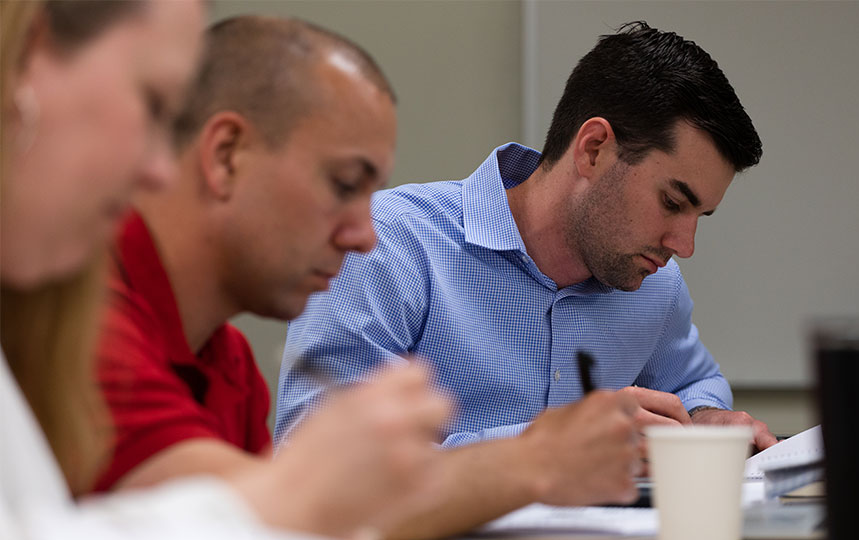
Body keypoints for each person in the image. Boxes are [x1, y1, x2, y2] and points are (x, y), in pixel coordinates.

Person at [87, 14, 642, 539]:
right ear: (227, 155)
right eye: (343, 184)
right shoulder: (86, 327)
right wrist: (535, 459)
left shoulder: (226, 359)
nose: (364, 235)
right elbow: (263, 519)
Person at [277, 20, 777, 521]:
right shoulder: (390, 246)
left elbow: (693, 384)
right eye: (671, 202)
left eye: (699, 218)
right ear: (594, 149)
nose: (684, 246)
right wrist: (549, 449)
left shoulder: (654, 284)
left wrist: (703, 418)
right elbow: (311, 465)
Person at [0, 2, 445, 539]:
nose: (158, 168)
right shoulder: (95, 317)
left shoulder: (228, 358)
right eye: (153, 105)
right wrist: (532, 460)